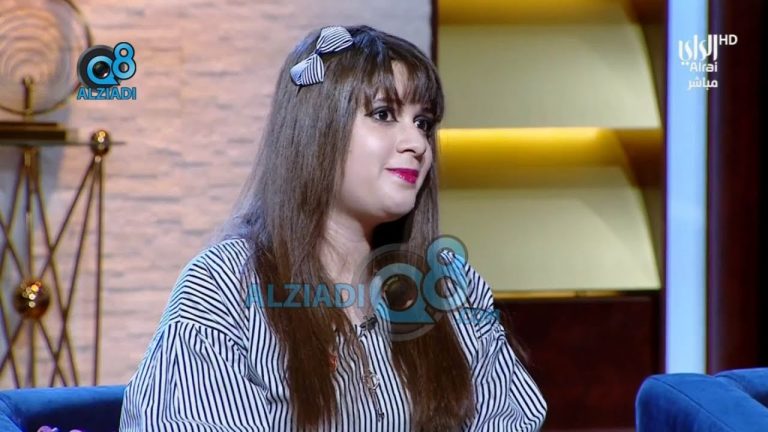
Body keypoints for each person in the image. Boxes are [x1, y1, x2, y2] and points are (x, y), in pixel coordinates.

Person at [119, 25, 547, 431]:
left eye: (423, 123)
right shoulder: (225, 286)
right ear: (317, 130)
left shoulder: (450, 284)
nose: (417, 143)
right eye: (384, 114)